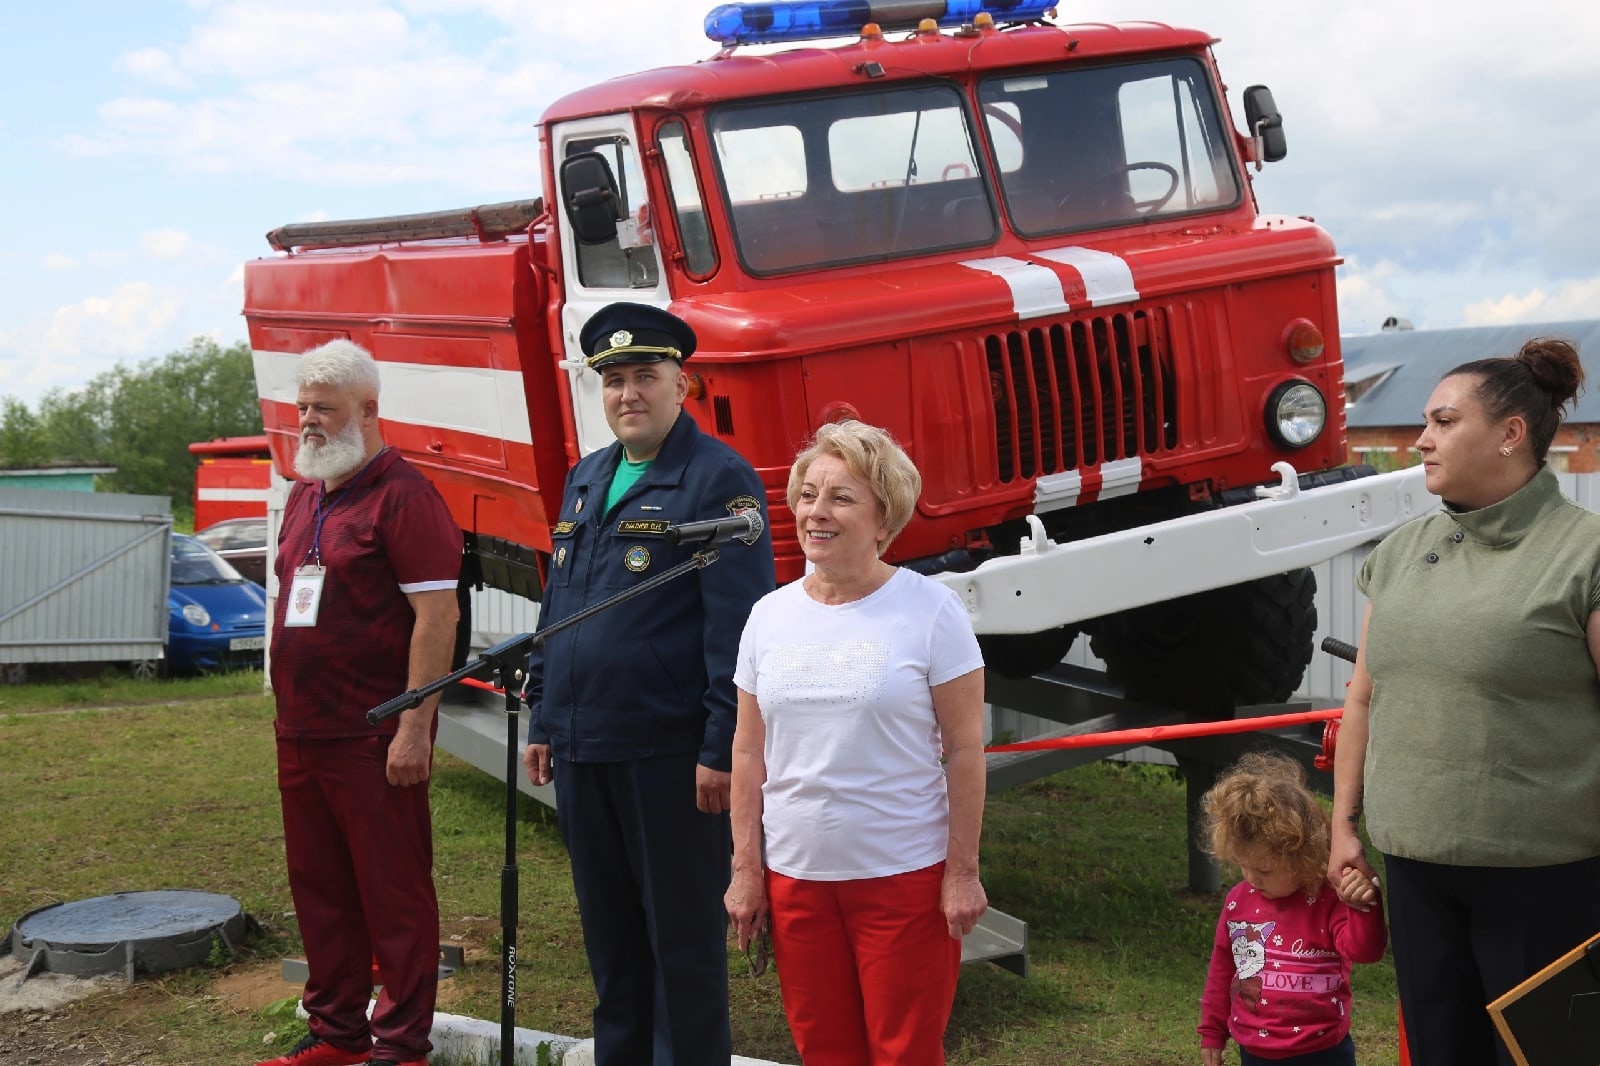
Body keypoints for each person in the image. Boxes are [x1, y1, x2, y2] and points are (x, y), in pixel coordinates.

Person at [1328, 336, 1600, 1066]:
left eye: (1445, 422)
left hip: (1547, 880)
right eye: (1425, 420)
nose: (1421, 439)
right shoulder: (1402, 551)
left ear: (1511, 435)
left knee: (1550, 1056)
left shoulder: (1585, 554)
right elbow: (1363, 698)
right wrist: (1342, 823)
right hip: (1418, 869)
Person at [521, 302, 776, 1066]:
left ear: (682, 385)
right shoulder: (586, 476)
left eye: (645, 377)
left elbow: (738, 629)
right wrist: (542, 714)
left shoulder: (716, 479)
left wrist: (720, 745)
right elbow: (559, 601)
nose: (628, 393)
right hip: (584, 743)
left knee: (681, 944)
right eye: (615, 380)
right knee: (611, 939)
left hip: (667, 752)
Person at [724, 420, 988, 1066]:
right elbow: (748, 753)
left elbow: (964, 749)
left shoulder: (932, 611)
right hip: (797, 881)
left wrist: (963, 871)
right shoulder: (768, 616)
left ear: (883, 517)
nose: (817, 511)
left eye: (841, 497)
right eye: (808, 494)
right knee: (824, 1052)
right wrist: (746, 870)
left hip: (903, 880)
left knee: (904, 1053)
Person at [261, 339, 463, 1066]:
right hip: (303, 729)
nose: (308, 420)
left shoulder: (404, 495)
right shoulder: (305, 491)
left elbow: (438, 619)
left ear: (369, 411)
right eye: (303, 406)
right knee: (320, 888)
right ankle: (337, 1032)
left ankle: (402, 1042)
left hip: (373, 735)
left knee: (393, 894)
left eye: (325, 408)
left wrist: (417, 725)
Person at [1198, 752, 1387, 1066]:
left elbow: (1366, 951)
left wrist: (1363, 904)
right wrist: (1212, 1031)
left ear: (1302, 855)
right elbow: (1223, 969)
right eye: (1243, 866)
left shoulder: (1329, 898)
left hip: (1322, 1050)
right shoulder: (1238, 900)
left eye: (1265, 870)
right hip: (1255, 1049)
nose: (1252, 878)